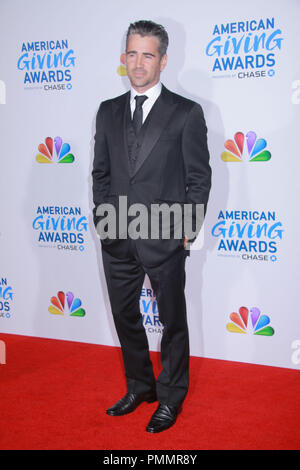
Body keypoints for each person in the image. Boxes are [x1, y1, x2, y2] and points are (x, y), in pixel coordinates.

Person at [92, 20, 211, 433]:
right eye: (131, 53)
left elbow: (199, 177)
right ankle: (140, 386)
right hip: (117, 238)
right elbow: (101, 173)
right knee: (126, 317)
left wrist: (186, 229)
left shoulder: (186, 112)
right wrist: (103, 218)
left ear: (162, 60)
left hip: (165, 235)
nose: (137, 63)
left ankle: (171, 396)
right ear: (123, 57)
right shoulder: (107, 111)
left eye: (147, 55)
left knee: (173, 320)